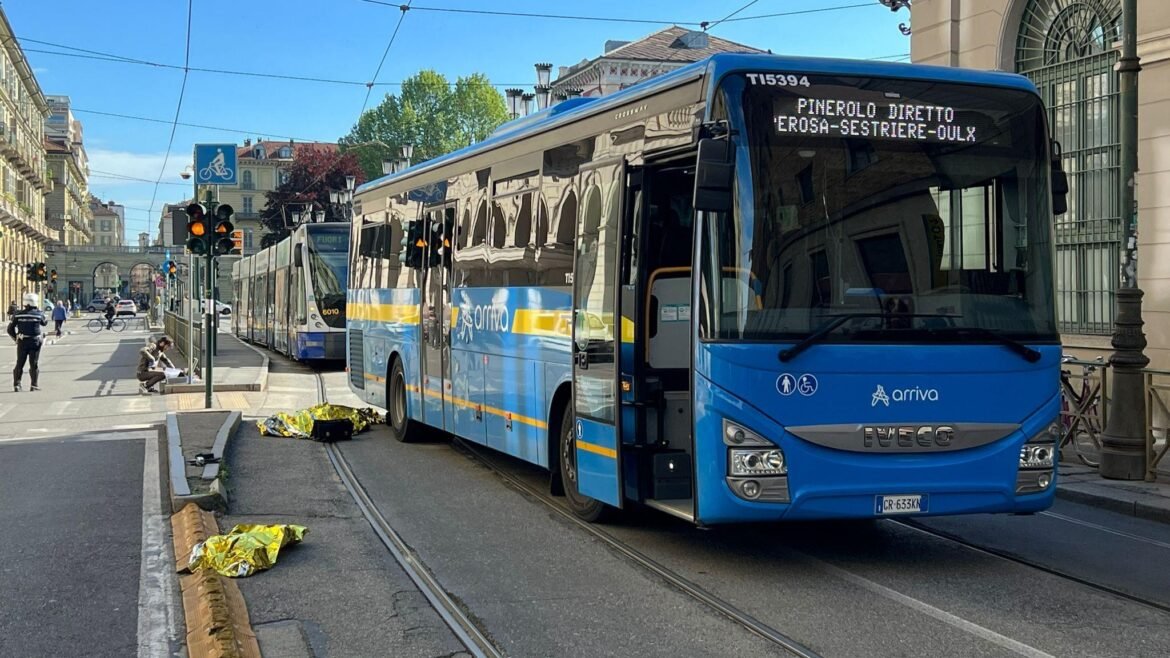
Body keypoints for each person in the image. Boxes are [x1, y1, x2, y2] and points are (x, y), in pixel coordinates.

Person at [7, 292, 47, 392]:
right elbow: (44, 323)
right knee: (34, 363)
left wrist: (15, 338)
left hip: (22, 341)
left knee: (20, 363)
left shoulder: (18, 314)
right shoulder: (39, 314)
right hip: (35, 341)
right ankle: (34, 385)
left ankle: (17, 385)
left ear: (25, 303)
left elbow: (10, 329)